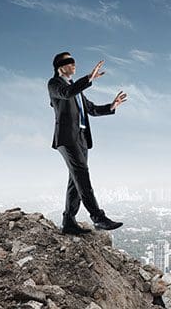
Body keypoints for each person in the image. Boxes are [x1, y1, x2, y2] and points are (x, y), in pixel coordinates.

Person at [48, 51, 127, 234]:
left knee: (75, 181)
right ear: (60, 66)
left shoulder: (76, 90)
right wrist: (89, 78)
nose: (73, 65)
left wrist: (112, 106)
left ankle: (68, 222)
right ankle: (98, 217)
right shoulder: (55, 85)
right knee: (82, 175)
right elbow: (66, 94)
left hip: (82, 139)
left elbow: (91, 109)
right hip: (67, 139)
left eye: (74, 61)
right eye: (69, 62)